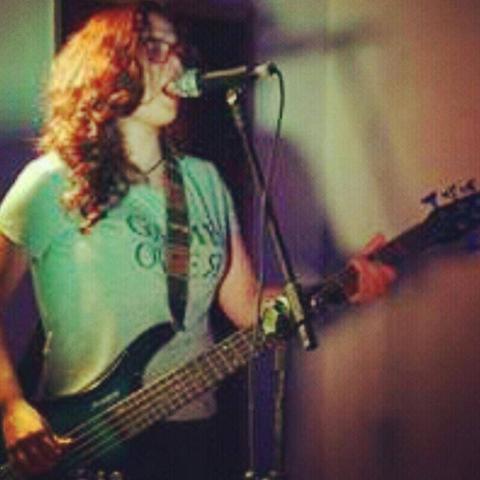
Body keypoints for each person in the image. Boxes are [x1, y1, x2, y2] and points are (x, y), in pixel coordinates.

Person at [0, 2, 396, 479]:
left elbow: (247, 306)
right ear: (107, 67)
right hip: (82, 443)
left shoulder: (204, 181)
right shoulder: (49, 183)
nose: (176, 64)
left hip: (192, 438)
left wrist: (342, 286)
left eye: (178, 51)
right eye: (154, 48)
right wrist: (11, 406)